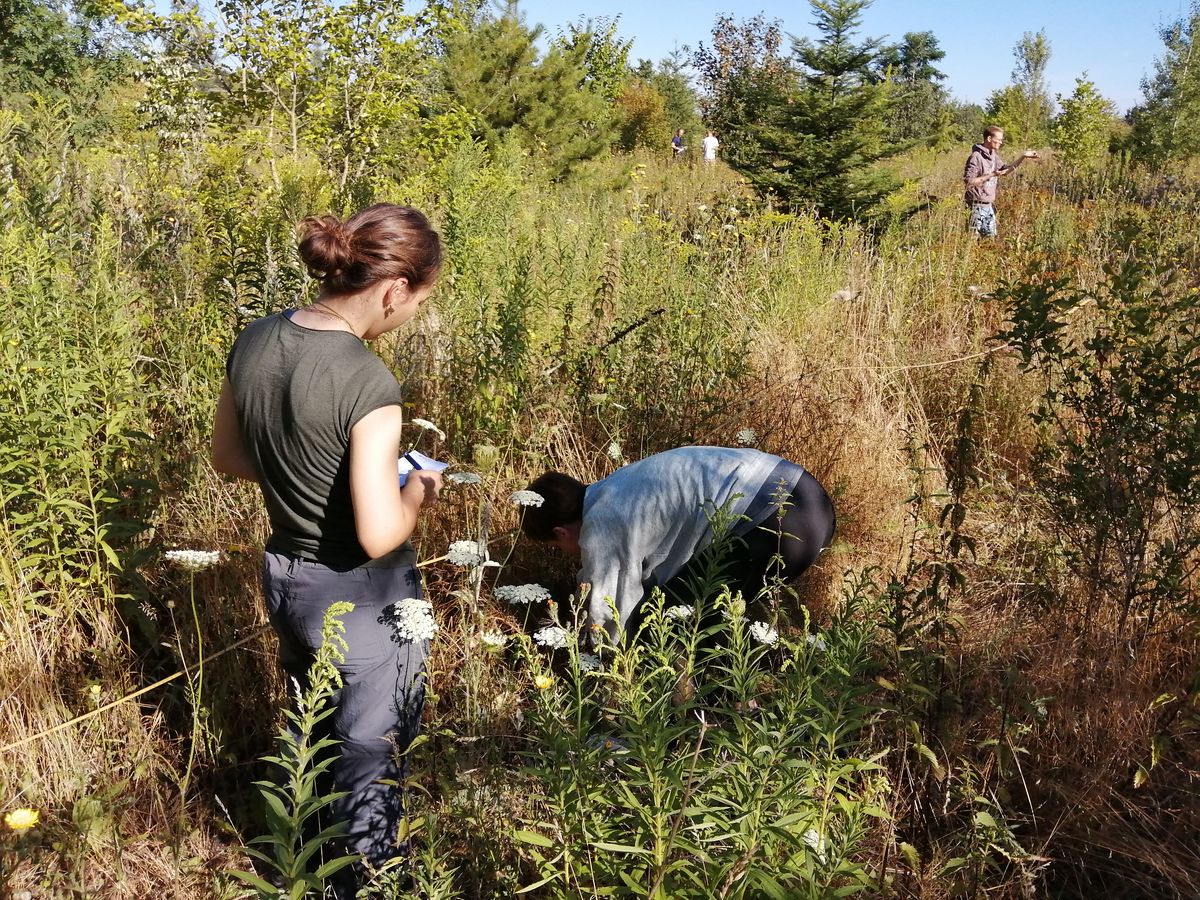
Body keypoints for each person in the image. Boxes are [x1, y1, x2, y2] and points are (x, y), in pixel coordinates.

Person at [211, 203, 444, 894]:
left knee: (311, 734)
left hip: (286, 574)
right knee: (370, 752)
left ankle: (303, 867)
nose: (413, 316)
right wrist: (417, 491)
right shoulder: (368, 380)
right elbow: (378, 534)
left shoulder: (256, 339)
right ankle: (364, 883)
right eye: (420, 302)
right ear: (395, 288)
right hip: (361, 595)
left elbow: (228, 455)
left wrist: (312, 477)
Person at [521, 447, 835, 642]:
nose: (566, 553)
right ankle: (719, 709)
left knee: (664, 625)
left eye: (556, 546)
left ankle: (682, 727)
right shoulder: (615, 488)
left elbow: (609, 614)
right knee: (695, 610)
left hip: (776, 516)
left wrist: (595, 663)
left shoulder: (602, 524)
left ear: (561, 532)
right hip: (808, 499)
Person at [963, 125, 1039, 237]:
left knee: (990, 241)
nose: (1001, 143)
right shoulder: (976, 157)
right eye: (998, 140)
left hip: (988, 206)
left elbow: (1006, 171)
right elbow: (969, 181)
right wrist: (992, 174)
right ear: (989, 139)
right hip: (975, 206)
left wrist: (1023, 156)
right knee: (973, 241)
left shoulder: (994, 156)